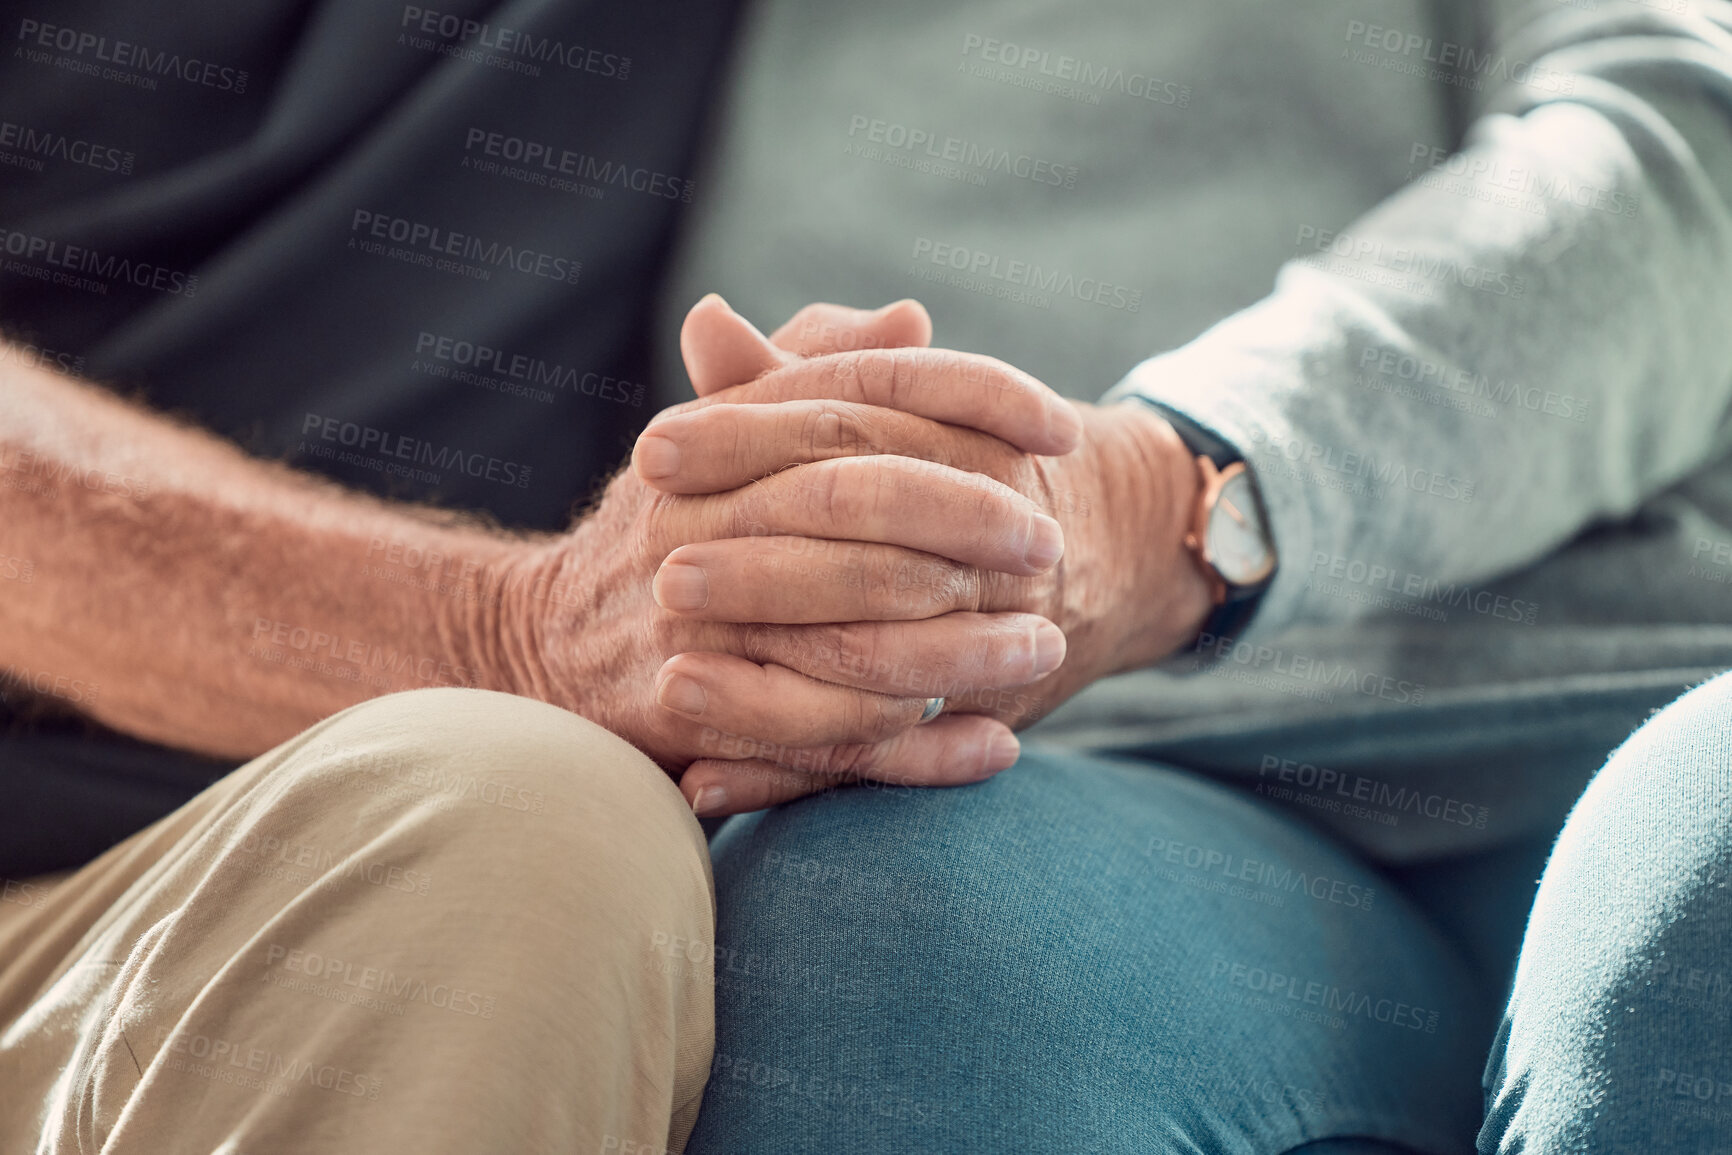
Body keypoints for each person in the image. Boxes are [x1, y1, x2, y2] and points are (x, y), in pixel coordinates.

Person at [2, 1, 1732, 1154]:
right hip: (1053, 766)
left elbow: (1678, 147)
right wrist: (559, 616)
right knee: (863, 928)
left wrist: (1179, 495)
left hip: (1586, 675)